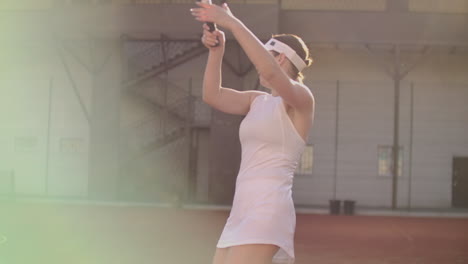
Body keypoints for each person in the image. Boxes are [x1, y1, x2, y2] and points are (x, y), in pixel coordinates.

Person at [191, 2, 314, 264]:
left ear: (280, 57)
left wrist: (232, 22)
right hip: (242, 208)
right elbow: (212, 95)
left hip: (268, 208)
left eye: (266, 55)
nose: (258, 65)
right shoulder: (257, 100)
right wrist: (216, 51)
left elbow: (269, 69)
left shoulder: (301, 100)